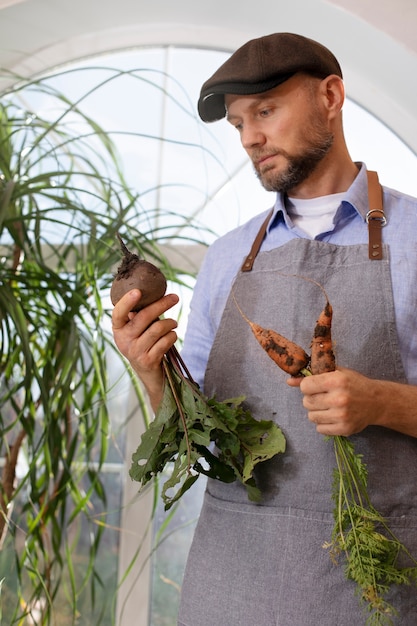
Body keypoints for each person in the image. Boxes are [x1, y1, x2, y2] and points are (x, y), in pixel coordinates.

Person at [112, 32, 417, 625]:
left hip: (378, 582)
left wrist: (383, 402)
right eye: (238, 124)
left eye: (267, 111)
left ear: (330, 96)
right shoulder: (227, 257)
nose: (251, 137)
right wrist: (152, 373)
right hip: (231, 583)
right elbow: (195, 434)